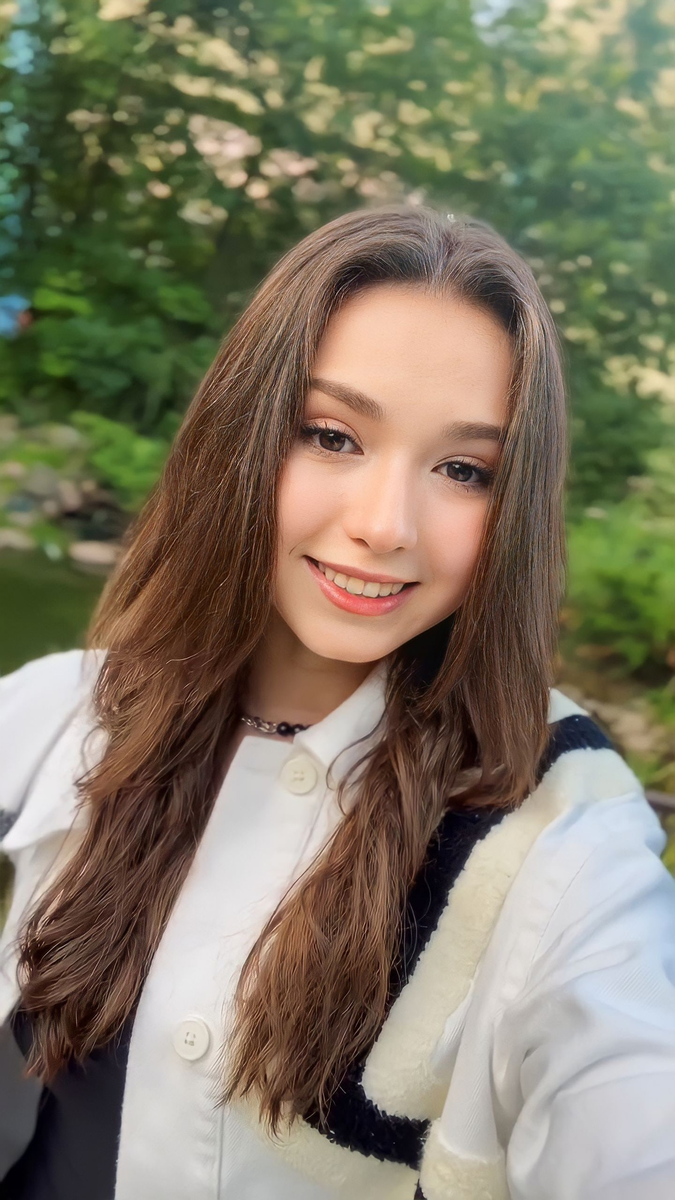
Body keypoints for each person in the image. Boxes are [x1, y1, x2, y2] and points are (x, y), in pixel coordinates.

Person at [0, 205, 674, 1200]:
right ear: (240, 432)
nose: (385, 524)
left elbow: (628, 1092)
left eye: (464, 470)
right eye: (331, 435)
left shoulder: (561, 832)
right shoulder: (67, 708)